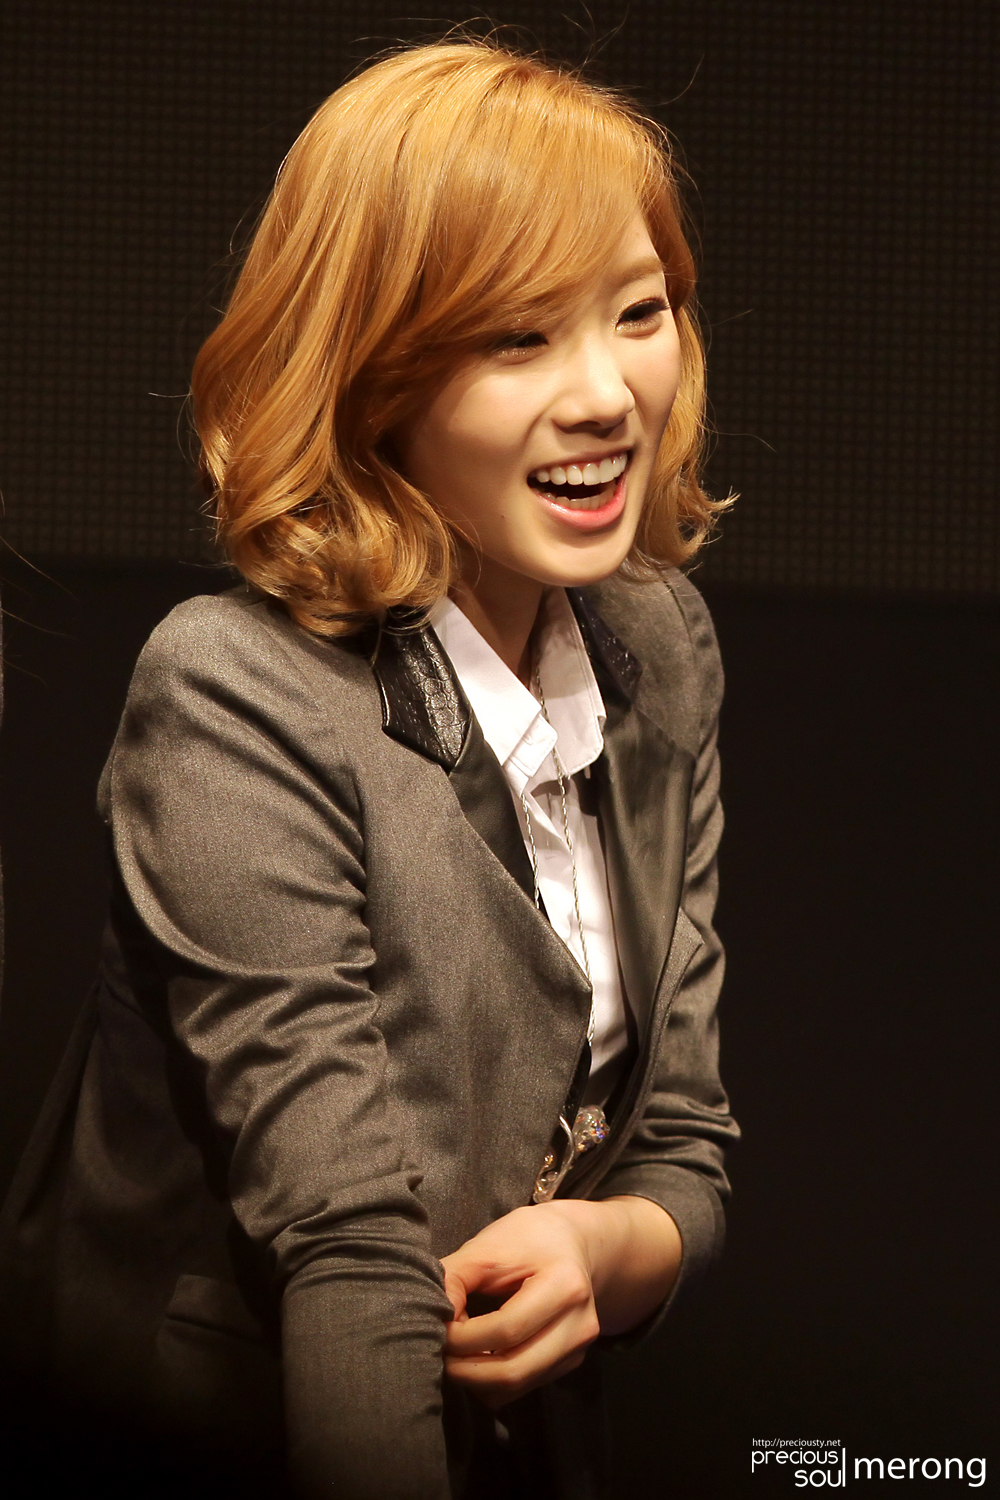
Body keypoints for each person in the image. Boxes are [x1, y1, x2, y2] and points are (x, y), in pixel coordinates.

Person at [0, 39, 738, 1500]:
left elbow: (685, 1143)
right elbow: (349, 1245)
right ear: (373, 375)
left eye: (639, 310)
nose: (608, 394)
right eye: (517, 337)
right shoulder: (235, 692)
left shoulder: (659, 643)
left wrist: (610, 1250)